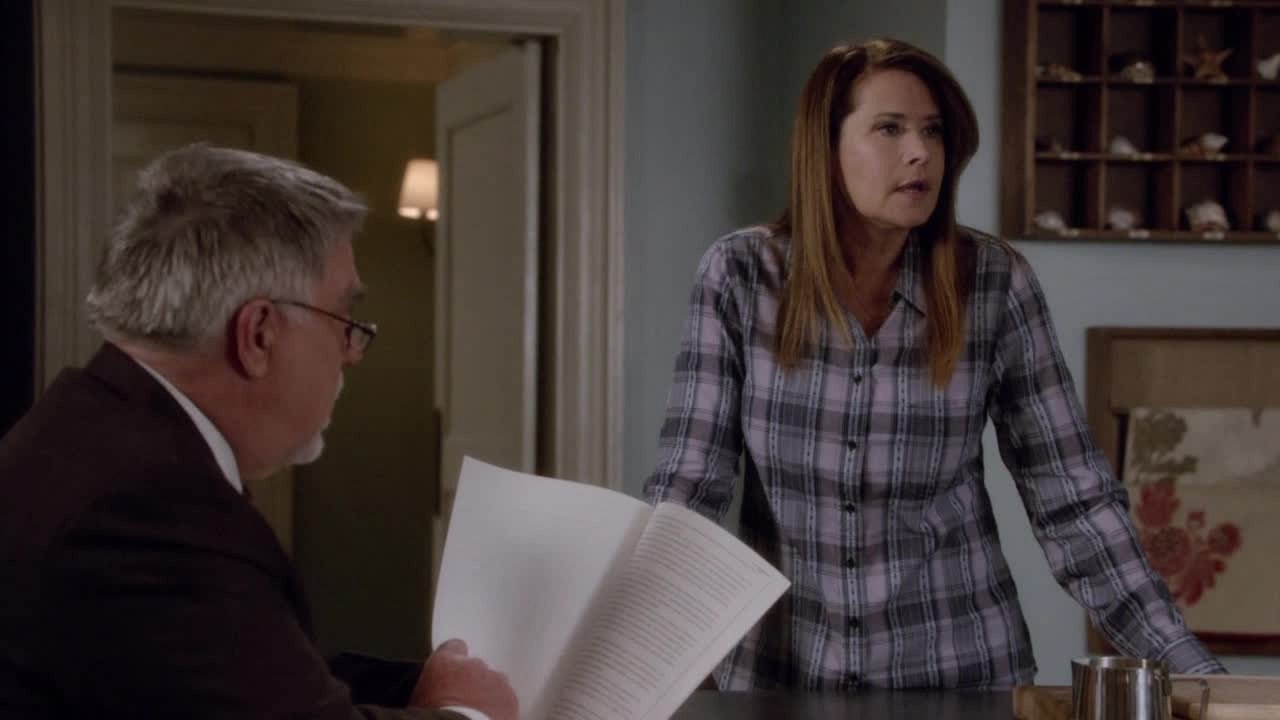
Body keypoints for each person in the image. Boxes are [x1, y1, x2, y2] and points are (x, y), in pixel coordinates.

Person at [644, 38, 1225, 691]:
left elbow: (1073, 499)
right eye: (890, 129)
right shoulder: (742, 274)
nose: (920, 152)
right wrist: (645, 664)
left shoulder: (995, 282)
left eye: (934, 131)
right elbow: (689, 491)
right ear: (825, 149)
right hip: (781, 677)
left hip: (959, 676)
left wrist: (1196, 677)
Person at [0, 144, 517, 719]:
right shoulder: (151, 505)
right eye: (344, 321)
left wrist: (422, 687)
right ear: (259, 335)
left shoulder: (96, 431)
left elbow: (223, 681)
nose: (352, 353)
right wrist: (465, 713)